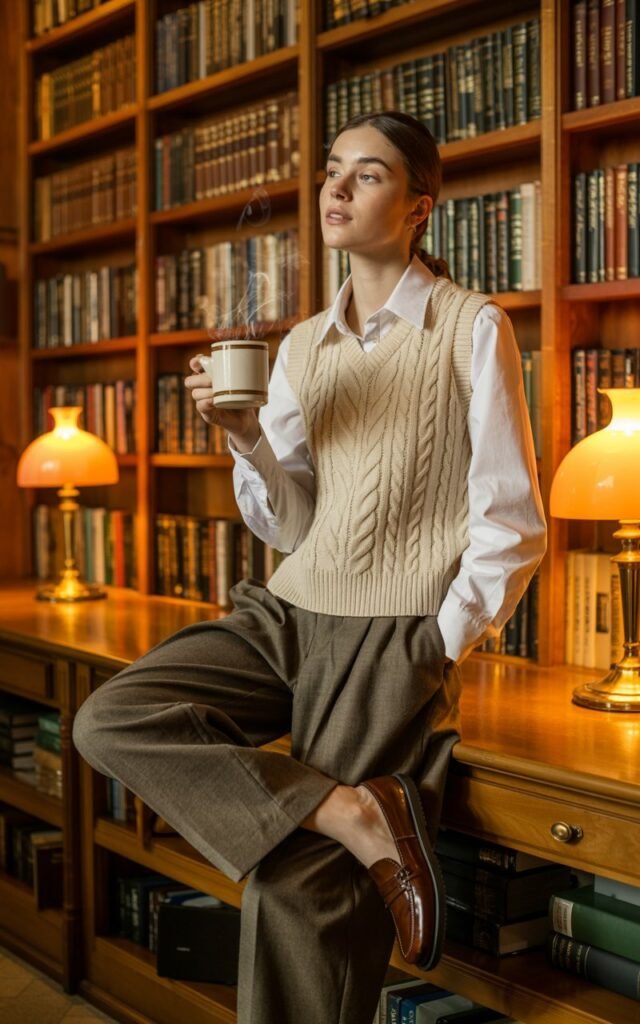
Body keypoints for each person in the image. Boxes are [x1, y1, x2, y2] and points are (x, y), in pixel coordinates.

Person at [72, 109, 547, 1024]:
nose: (335, 188)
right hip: (286, 610)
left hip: (390, 633)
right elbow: (295, 526)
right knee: (111, 718)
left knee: (297, 897)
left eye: (366, 175)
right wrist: (245, 435)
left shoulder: (469, 328)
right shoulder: (297, 346)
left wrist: (435, 644)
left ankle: (347, 823)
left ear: (418, 206)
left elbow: (510, 519)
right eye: (332, 170)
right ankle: (348, 811)